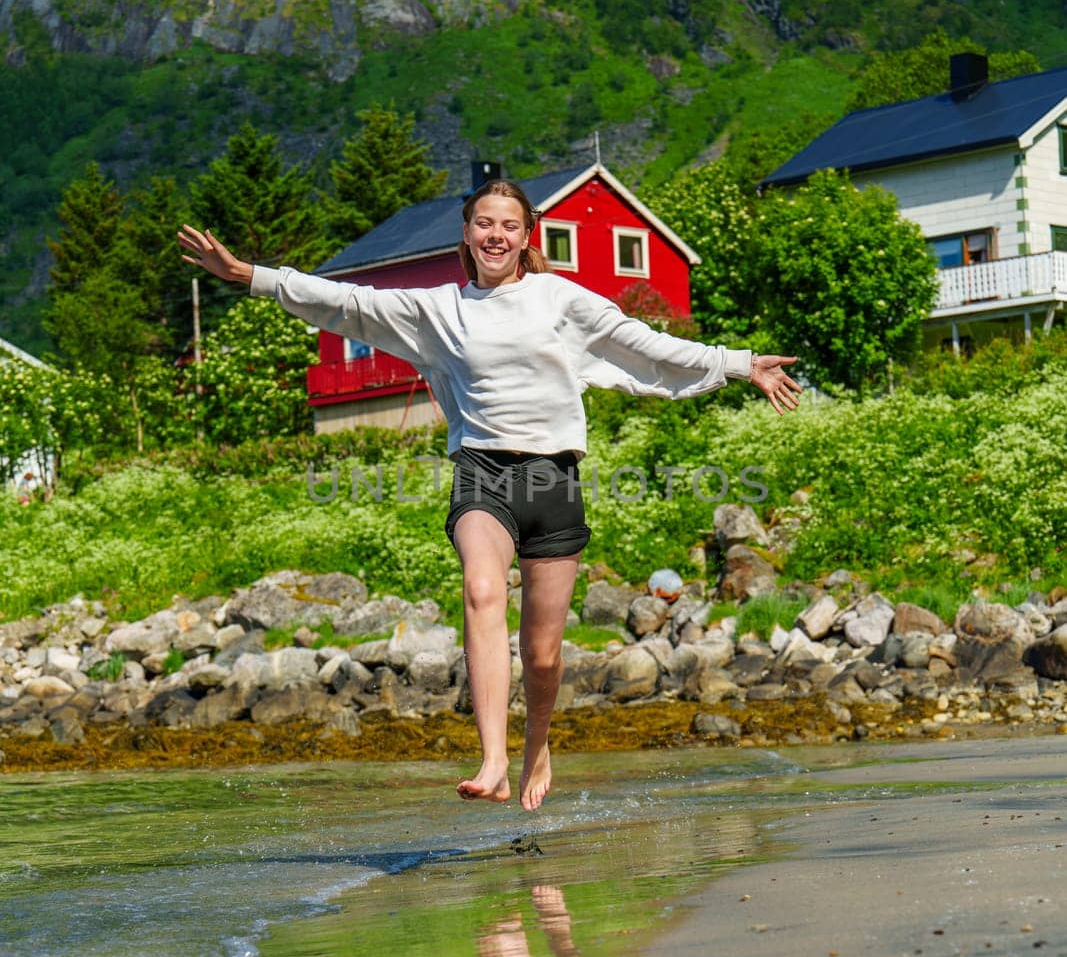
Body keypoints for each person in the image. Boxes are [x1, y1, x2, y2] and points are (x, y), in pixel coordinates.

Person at [178, 179, 800, 812]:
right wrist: (250, 275)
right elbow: (346, 304)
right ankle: (495, 757)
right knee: (480, 590)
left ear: (526, 236)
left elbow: (642, 344)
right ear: (467, 234)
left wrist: (739, 363)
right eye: (483, 223)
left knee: (543, 652)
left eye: (508, 225)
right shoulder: (440, 310)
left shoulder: (559, 299)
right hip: (482, 474)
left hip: (552, 481)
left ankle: (536, 746)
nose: (495, 235)